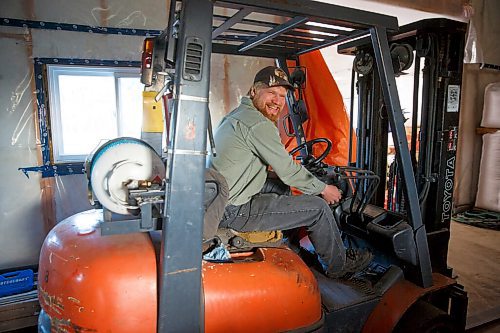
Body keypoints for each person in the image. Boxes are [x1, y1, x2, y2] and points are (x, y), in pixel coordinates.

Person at [209, 66, 372, 278]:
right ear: (254, 91)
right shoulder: (258, 124)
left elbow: (267, 168)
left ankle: (290, 245)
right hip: (235, 210)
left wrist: (289, 175)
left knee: (280, 186)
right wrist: (324, 189)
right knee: (318, 208)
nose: (277, 101)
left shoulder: (237, 116)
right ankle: (338, 267)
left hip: (221, 199)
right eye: (272, 93)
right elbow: (288, 170)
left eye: (282, 96)